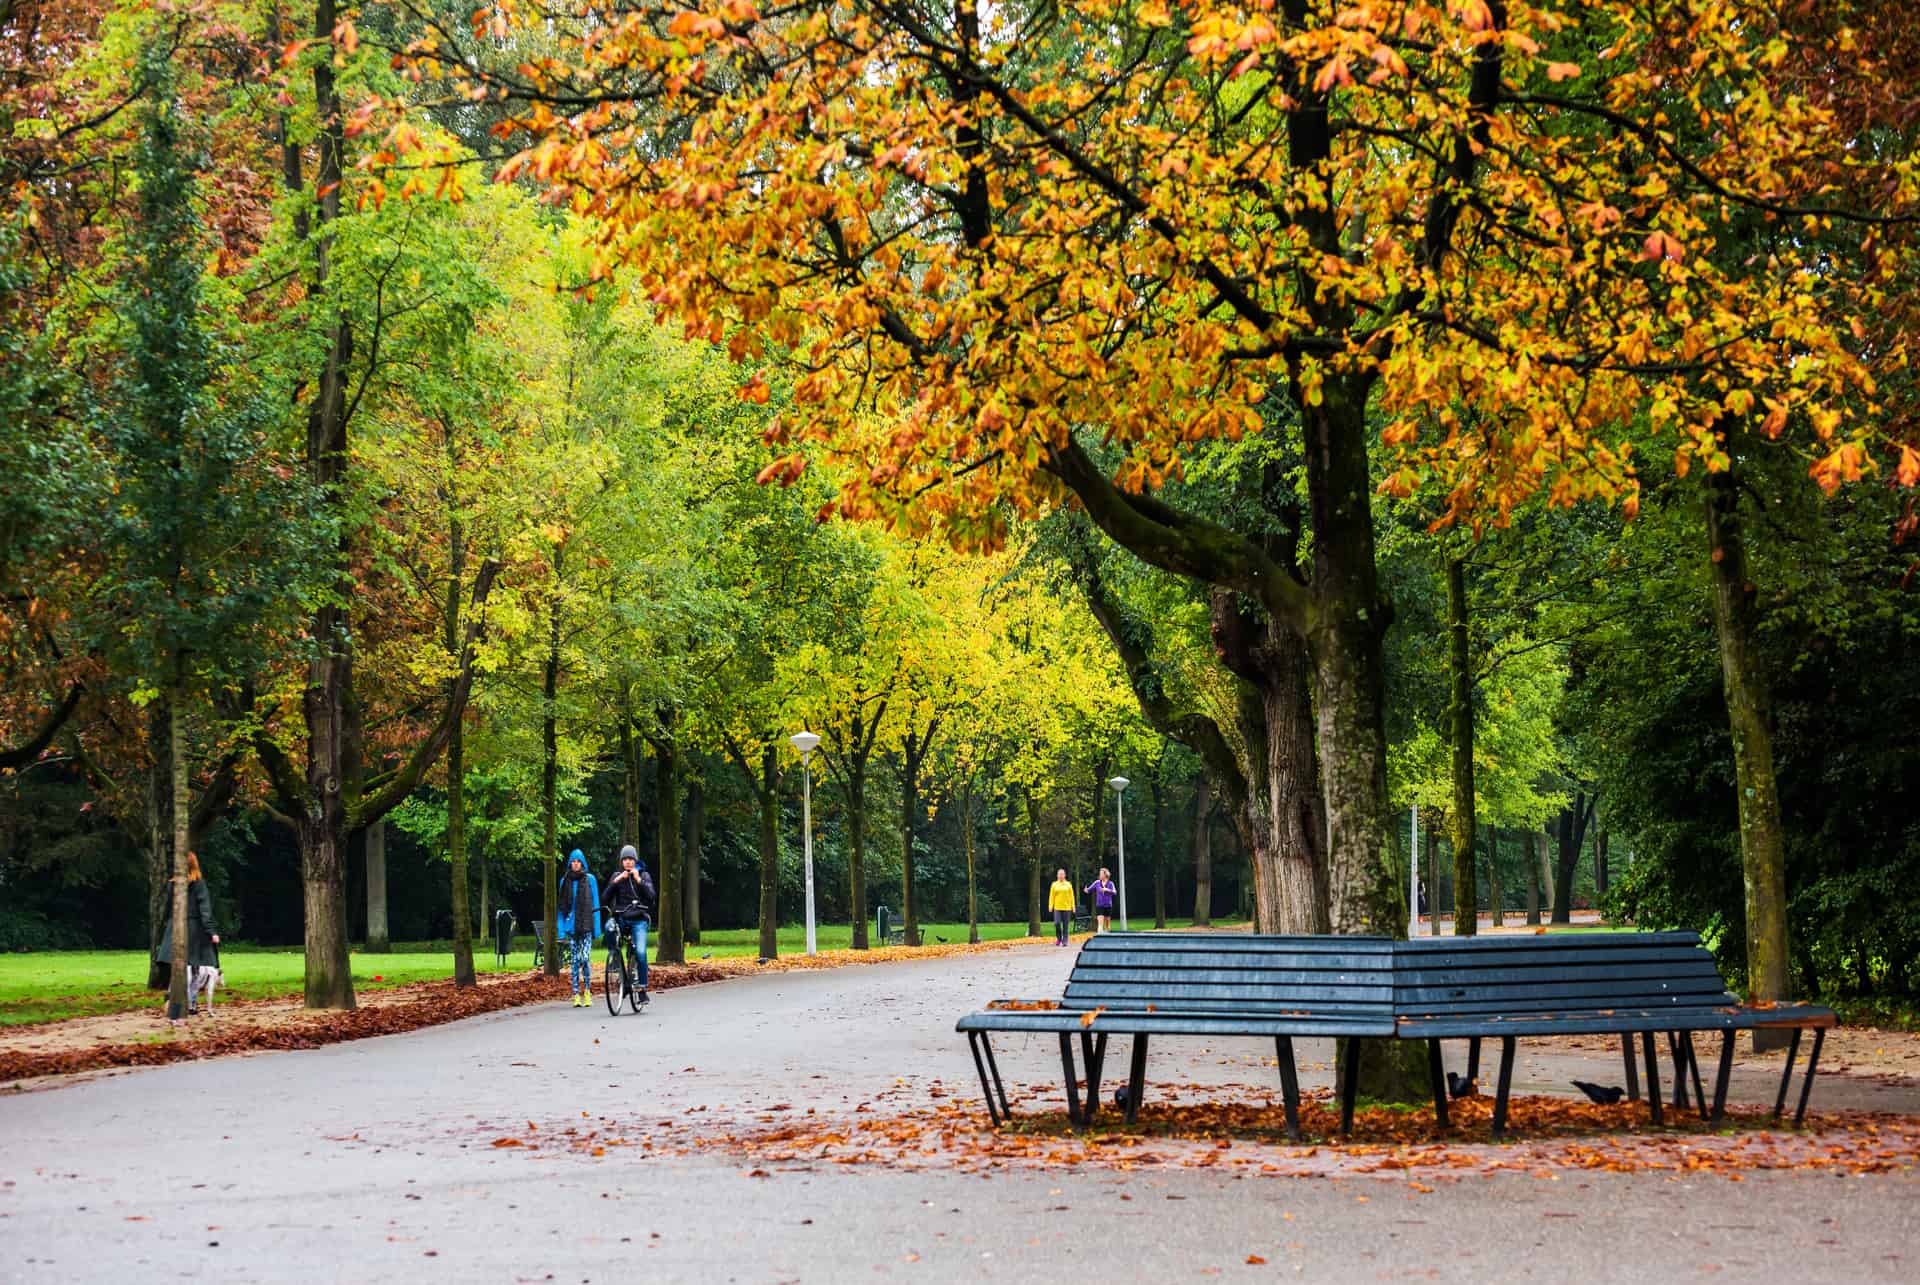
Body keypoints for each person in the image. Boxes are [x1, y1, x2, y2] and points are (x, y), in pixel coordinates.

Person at [154, 851, 220, 1020]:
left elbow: (167, 909)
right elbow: (205, 911)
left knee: (178, 971)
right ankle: (190, 1006)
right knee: (193, 971)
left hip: (174, 928)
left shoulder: (172, 885)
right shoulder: (199, 885)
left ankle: (175, 1008)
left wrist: (165, 931)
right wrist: (211, 931)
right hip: (193, 931)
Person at [602, 845, 656, 1004]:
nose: (628, 862)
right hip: (621, 918)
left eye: (631, 859)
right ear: (621, 861)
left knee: (640, 952)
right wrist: (615, 882)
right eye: (625, 859)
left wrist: (638, 880)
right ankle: (614, 958)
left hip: (639, 919)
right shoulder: (617, 876)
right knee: (609, 927)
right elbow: (604, 898)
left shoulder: (644, 875)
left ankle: (642, 989)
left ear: (635, 860)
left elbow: (651, 896)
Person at [556, 850, 600, 1006]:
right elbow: (561, 907)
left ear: (582, 863)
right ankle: (576, 994)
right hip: (571, 927)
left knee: (585, 958)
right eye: (573, 861)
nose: (575, 863)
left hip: (586, 925)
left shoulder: (590, 879)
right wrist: (561, 930)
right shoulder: (564, 881)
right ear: (569, 863)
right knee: (575, 961)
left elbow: (596, 904)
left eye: (578, 861)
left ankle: (587, 990)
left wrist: (597, 928)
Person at [1047, 868, 1075, 946]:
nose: (1061, 876)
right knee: (1057, 923)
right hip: (1057, 908)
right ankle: (1059, 938)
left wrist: (1073, 906)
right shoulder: (1054, 884)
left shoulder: (1068, 884)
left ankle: (1065, 941)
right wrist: (1050, 906)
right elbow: (1051, 896)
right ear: (1057, 875)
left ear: (1065, 875)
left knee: (1066, 925)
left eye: (1062, 874)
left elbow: (1072, 896)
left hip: (1067, 908)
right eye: (1059, 874)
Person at [1085, 867, 1117, 933]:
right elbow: (1088, 890)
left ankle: (1108, 936)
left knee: (1107, 924)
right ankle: (1100, 936)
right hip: (1099, 905)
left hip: (1108, 905)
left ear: (1105, 875)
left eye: (1101, 874)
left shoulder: (1110, 883)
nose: (1100, 875)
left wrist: (1107, 890)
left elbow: (1114, 892)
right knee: (1100, 923)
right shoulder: (1097, 883)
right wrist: (1086, 890)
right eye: (1100, 874)